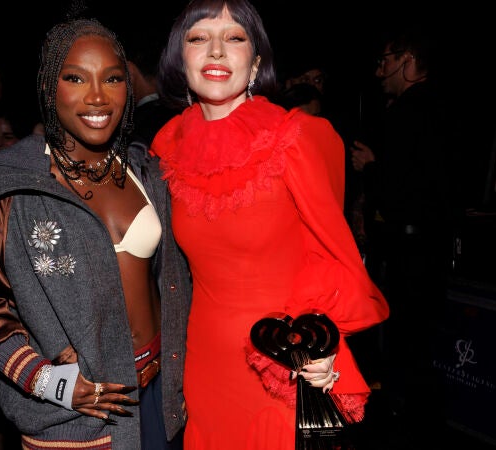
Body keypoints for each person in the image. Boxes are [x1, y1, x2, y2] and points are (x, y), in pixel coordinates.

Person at [0, 16, 192, 450]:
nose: (97, 96)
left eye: (112, 78)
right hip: (80, 419)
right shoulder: (16, 186)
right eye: (76, 78)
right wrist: (45, 379)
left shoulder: (146, 171)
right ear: (49, 88)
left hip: (160, 392)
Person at [151, 1, 390, 449]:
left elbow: (331, 251)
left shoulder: (299, 138)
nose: (216, 50)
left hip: (280, 362)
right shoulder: (167, 150)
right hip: (205, 365)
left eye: (234, 37)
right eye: (199, 38)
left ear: (256, 63)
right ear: (180, 59)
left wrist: (318, 341)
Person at [349, 27, 454, 446]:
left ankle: (403, 423)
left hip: (407, 251)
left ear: (408, 61)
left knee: (404, 346)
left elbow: (409, 189)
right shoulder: (438, 107)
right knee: (418, 343)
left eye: (387, 61)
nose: (380, 71)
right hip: (427, 249)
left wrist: (371, 167)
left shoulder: (410, 111)